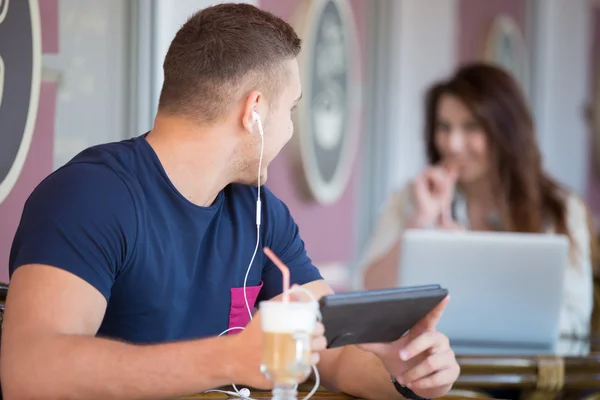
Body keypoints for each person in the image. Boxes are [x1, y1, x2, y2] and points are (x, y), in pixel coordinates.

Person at [0, 4, 459, 400]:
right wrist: (228, 359)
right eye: (291, 110)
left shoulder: (262, 213)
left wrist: (405, 375)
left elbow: (332, 354)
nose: (290, 130)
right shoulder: (89, 197)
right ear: (254, 111)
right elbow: (30, 375)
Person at [359, 63, 594, 341]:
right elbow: (367, 291)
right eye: (444, 127)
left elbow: (575, 316)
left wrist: (472, 267)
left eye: (471, 127)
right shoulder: (411, 199)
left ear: (506, 131)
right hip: (431, 370)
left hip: (530, 377)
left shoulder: (559, 209)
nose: (453, 144)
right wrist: (418, 223)